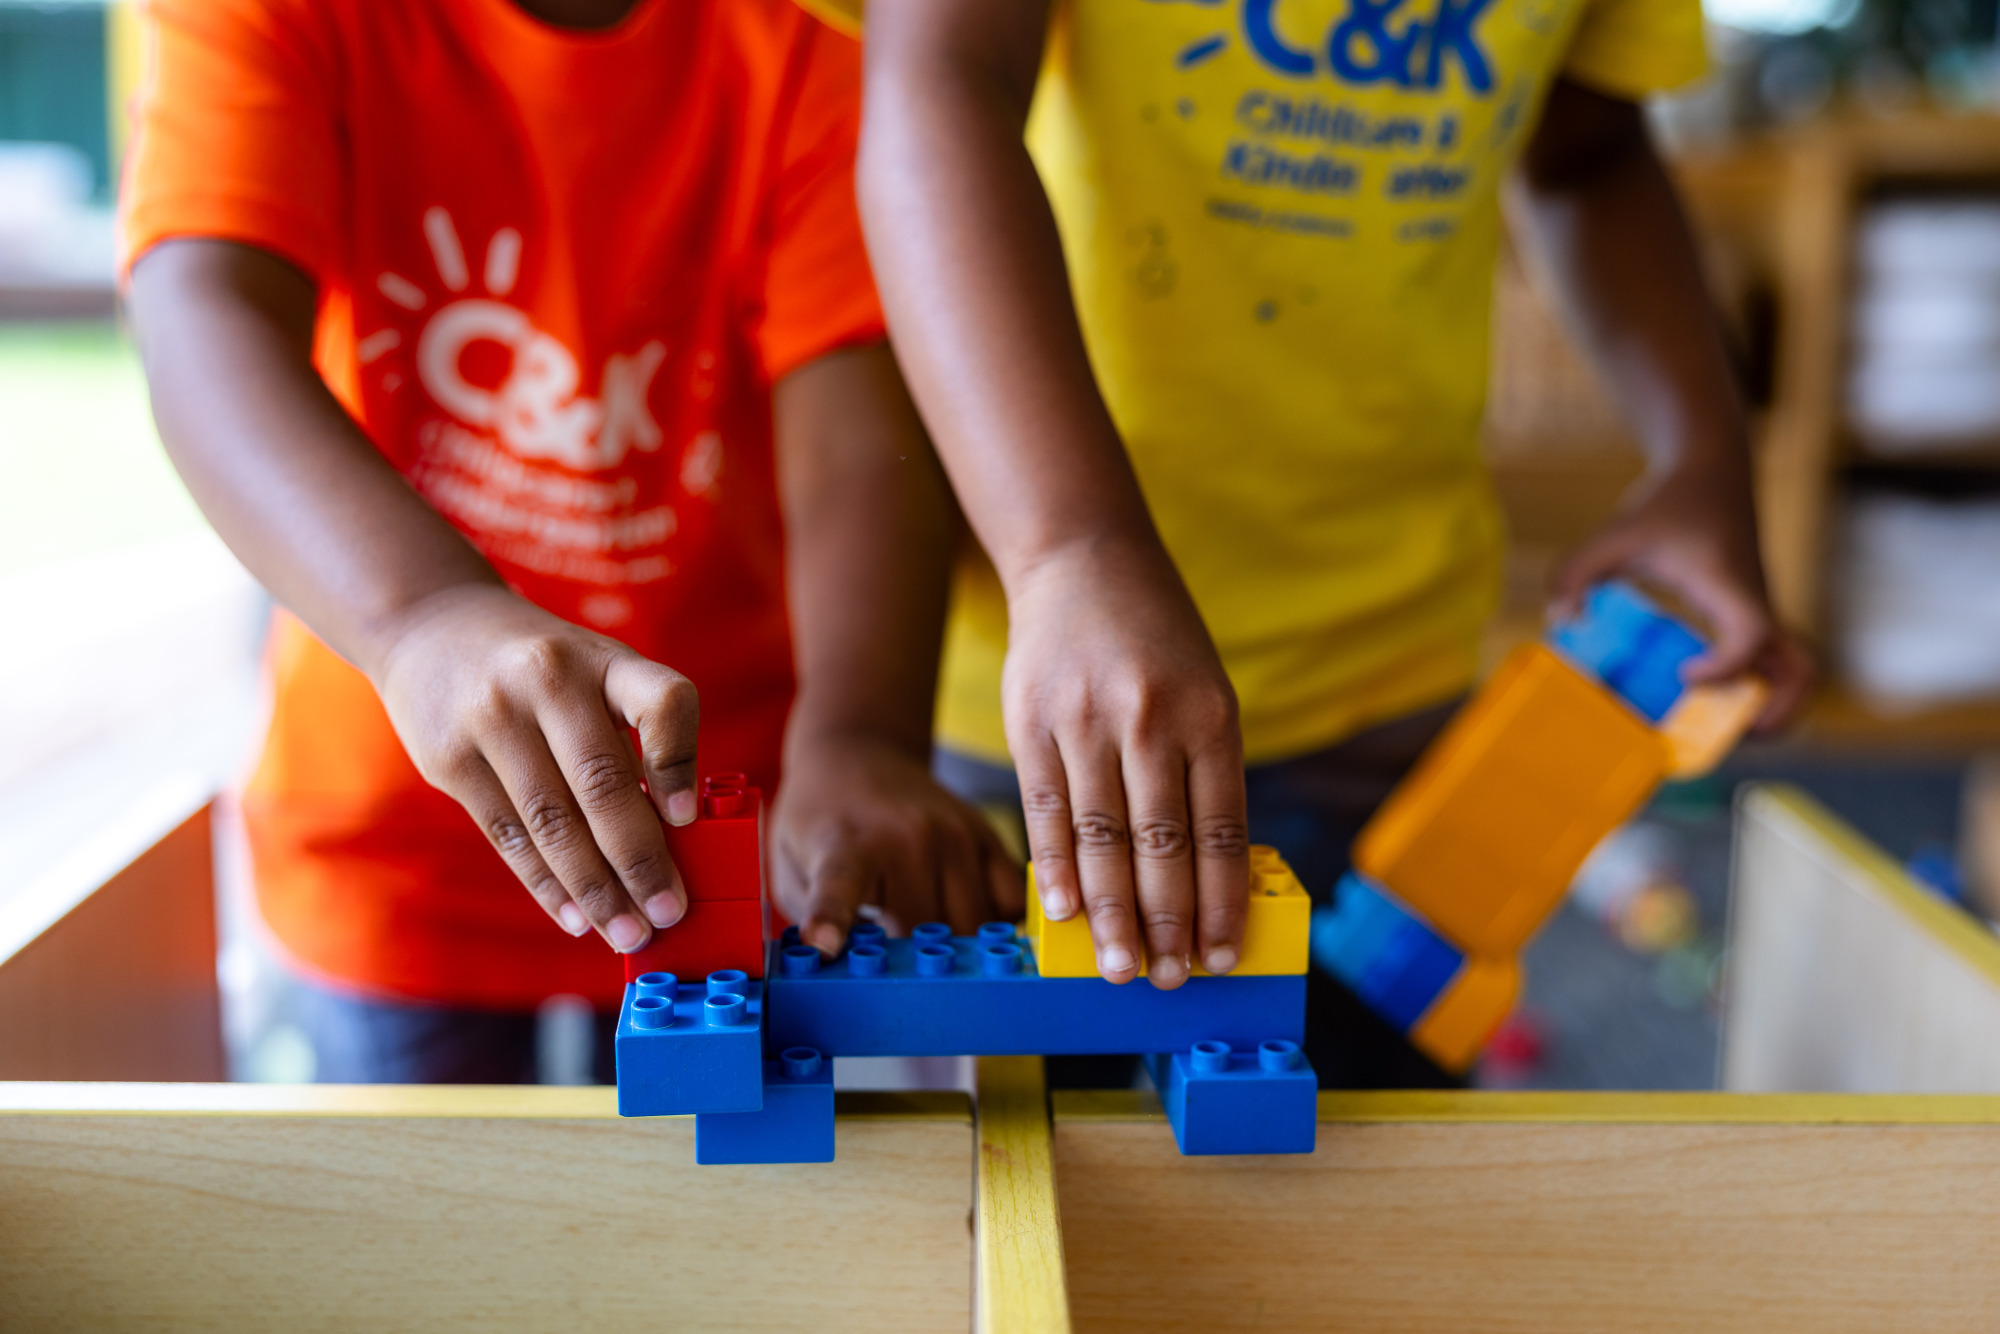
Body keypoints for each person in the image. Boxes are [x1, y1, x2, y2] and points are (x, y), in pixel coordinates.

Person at [853, 0, 1813, 1082]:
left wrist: (1703, 458)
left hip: (1388, 681)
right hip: (1049, 704)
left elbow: (1589, 153)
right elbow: (936, 81)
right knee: (1013, 1179)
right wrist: (1067, 549)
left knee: (1349, 1173)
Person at [121, 0, 1016, 1083]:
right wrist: (422, 619)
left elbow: (857, 450)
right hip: (400, 845)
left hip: (722, 836)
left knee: (714, 1240)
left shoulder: (813, 35)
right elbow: (202, 317)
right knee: (410, 1238)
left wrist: (860, 735)